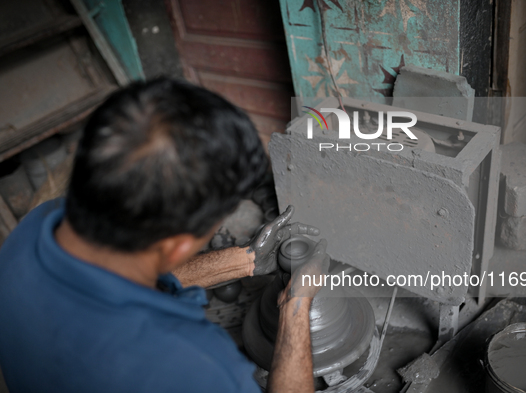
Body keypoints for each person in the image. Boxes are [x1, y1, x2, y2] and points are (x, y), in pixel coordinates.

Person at [0, 78, 329, 393]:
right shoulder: (191, 364)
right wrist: (295, 306)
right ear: (177, 247)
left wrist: (245, 260)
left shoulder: (33, 228)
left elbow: (130, 270)